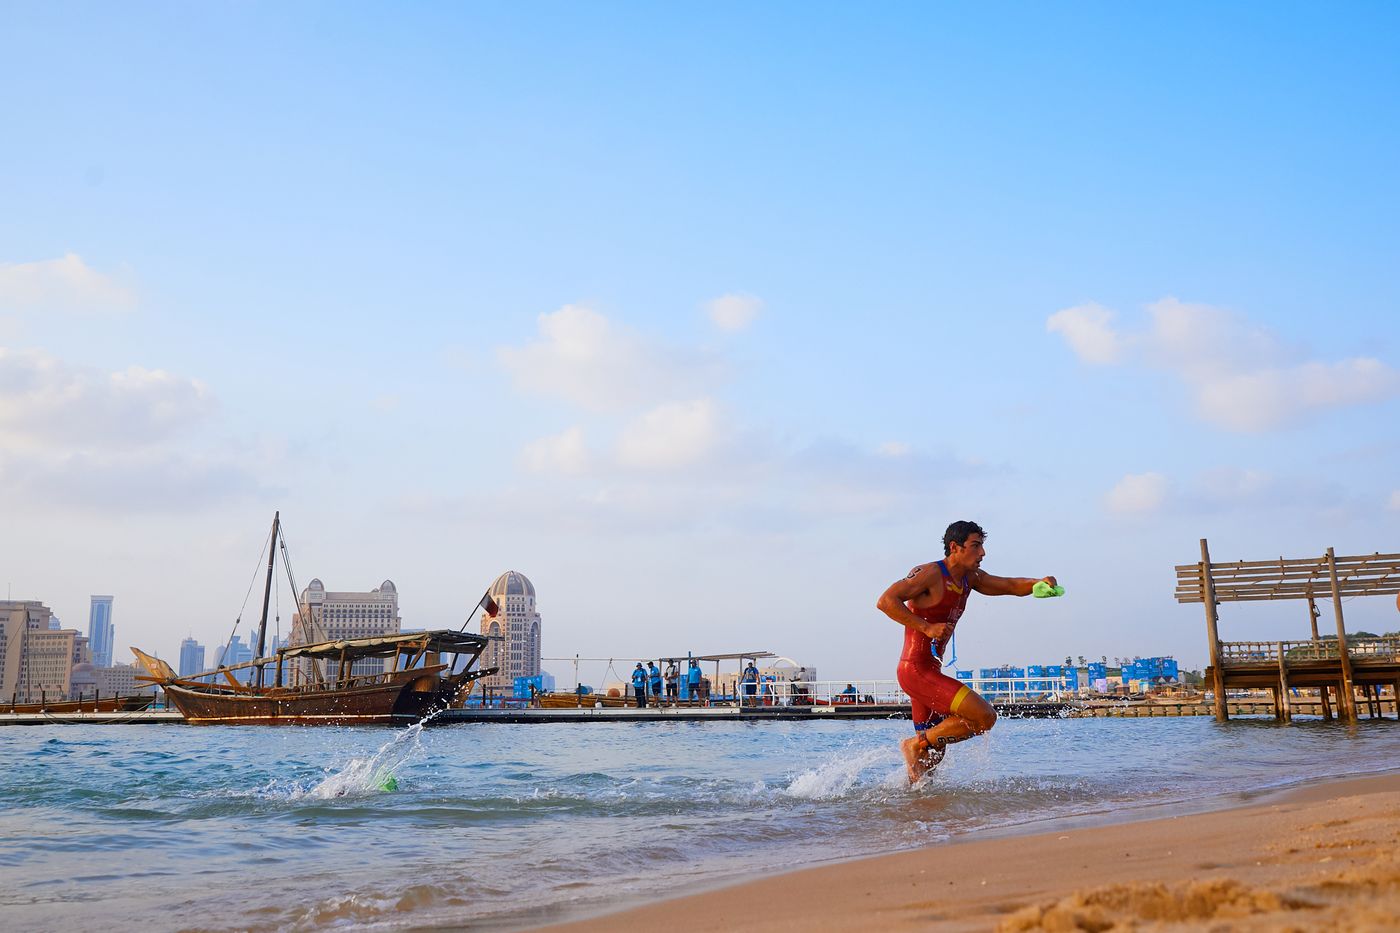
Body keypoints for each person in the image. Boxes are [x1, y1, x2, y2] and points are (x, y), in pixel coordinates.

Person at [877, 520, 1057, 784]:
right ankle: (914, 744)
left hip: (930, 671)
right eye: (976, 546)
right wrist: (925, 627)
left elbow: (1008, 585)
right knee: (984, 717)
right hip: (916, 670)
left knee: (931, 759)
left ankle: (918, 807)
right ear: (955, 547)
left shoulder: (970, 579)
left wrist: (1037, 583)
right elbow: (886, 601)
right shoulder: (930, 573)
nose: (982, 553)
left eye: (982, 546)